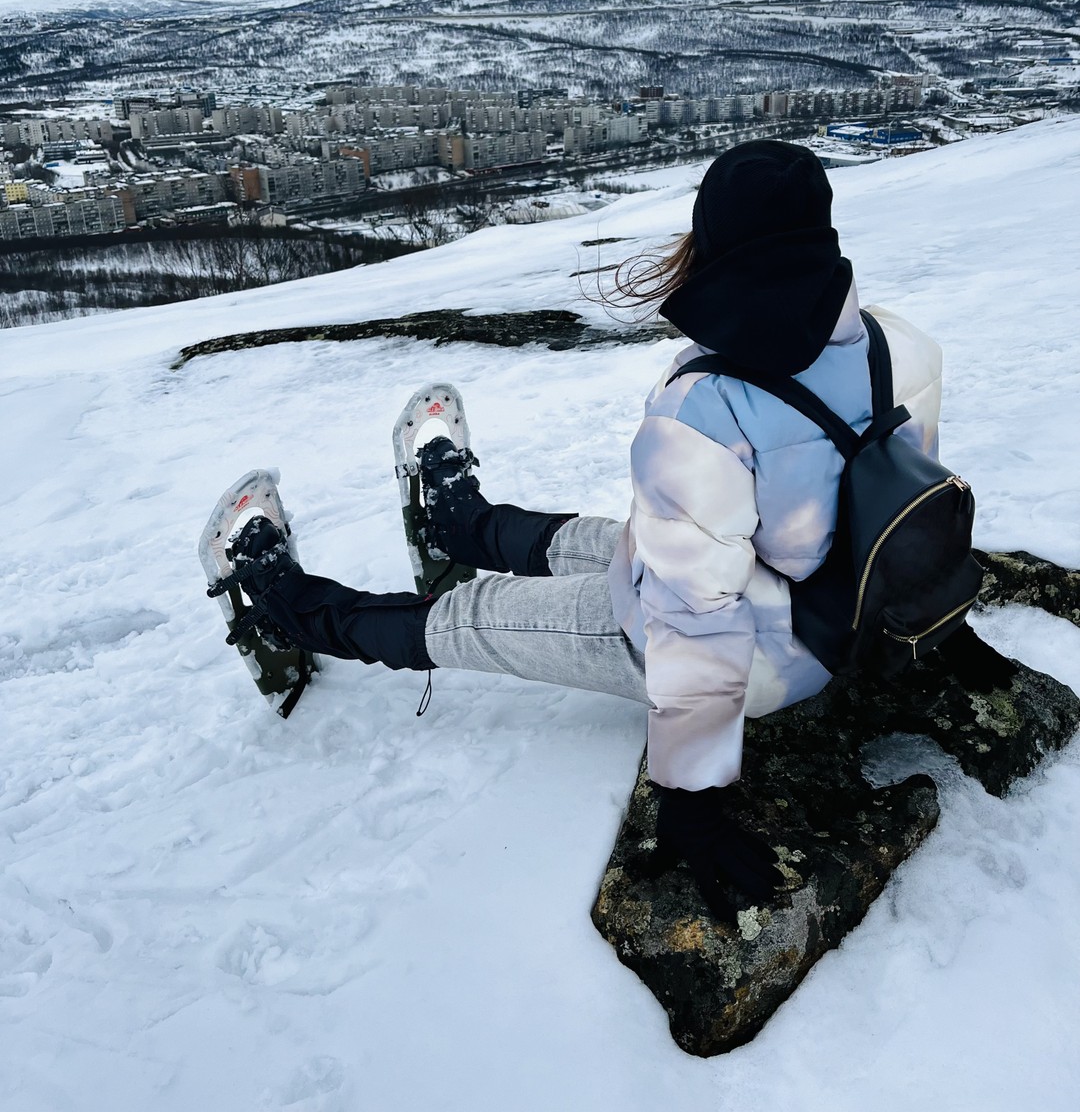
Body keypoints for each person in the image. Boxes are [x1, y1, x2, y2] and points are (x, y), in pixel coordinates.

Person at [226, 139, 1010, 919]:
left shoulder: (706, 405)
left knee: (477, 616)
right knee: (611, 540)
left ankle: (285, 608)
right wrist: (940, 625)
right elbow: (895, 512)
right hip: (839, 618)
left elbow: (697, 618)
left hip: (758, 660)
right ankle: (459, 524)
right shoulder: (899, 343)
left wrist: (694, 796)